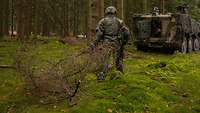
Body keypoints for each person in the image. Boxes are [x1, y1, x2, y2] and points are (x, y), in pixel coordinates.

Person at [90, 6, 130, 80]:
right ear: (115, 12)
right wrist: (124, 42)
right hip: (117, 42)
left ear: (106, 12)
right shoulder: (120, 21)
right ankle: (119, 75)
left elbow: (99, 34)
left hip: (106, 42)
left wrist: (94, 43)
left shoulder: (102, 21)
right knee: (118, 59)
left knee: (105, 60)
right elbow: (127, 33)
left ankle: (102, 76)